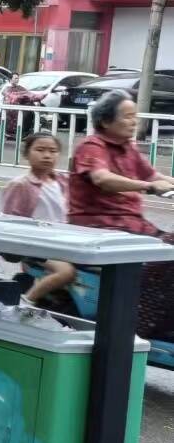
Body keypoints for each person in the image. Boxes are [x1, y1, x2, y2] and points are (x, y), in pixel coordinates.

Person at [67, 90, 174, 337]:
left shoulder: (128, 148)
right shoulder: (91, 147)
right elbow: (102, 178)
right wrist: (147, 187)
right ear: (105, 121)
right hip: (101, 231)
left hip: (132, 227)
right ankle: (139, 322)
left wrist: (161, 182)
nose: (134, 121)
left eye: (134, 116)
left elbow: (154, 176)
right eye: (127, 116)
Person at [0, 130, 76, 307]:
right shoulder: (20, 185)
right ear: (27, 153)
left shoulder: (63, 181)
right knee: (66, 272)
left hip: (64, 242)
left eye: (52, 151)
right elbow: (10, 222)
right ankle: (27, 300)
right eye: (40, 150)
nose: (47, 155)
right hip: (36, 246)